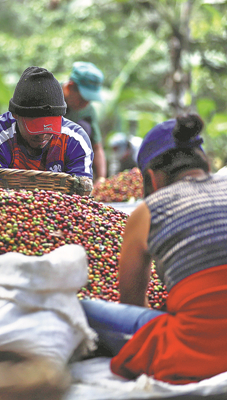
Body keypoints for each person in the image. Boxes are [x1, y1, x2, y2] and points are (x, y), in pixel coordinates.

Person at [81, 114, 227, 384]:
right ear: (205, 162)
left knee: (83, 310)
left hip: (197, 352)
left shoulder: (147, 212)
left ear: (152, 178)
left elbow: (133, 302)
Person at [0, 66, 94, 190]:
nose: (42, 136)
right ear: (16, 115)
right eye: (35, 128)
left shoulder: (75, 141)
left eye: (49, 128)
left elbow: (81, 195)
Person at [63, 62, 107, 184]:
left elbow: (97, 147)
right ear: (69, 88)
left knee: (84, 128)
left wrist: (101, 179)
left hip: (71, 171)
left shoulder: (87, 110)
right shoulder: (49, 97)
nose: (86, 104)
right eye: (83, 99)